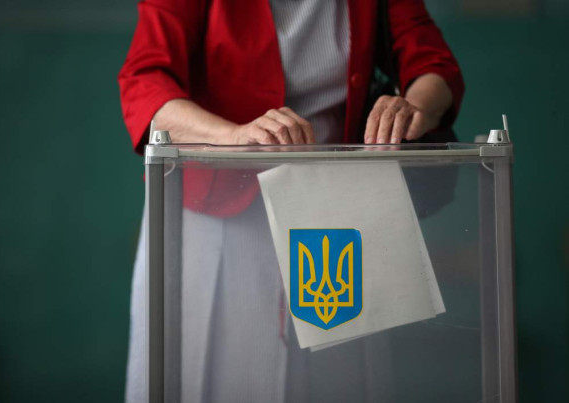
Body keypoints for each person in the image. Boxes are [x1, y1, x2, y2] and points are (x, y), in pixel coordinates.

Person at [118, 1, 464, 402]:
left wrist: (413, 106)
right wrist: (233, 138)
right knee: (208, 378)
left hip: (337, 208)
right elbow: (144, 83)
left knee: (341, 382)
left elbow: (432, 62)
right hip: (216, 207)